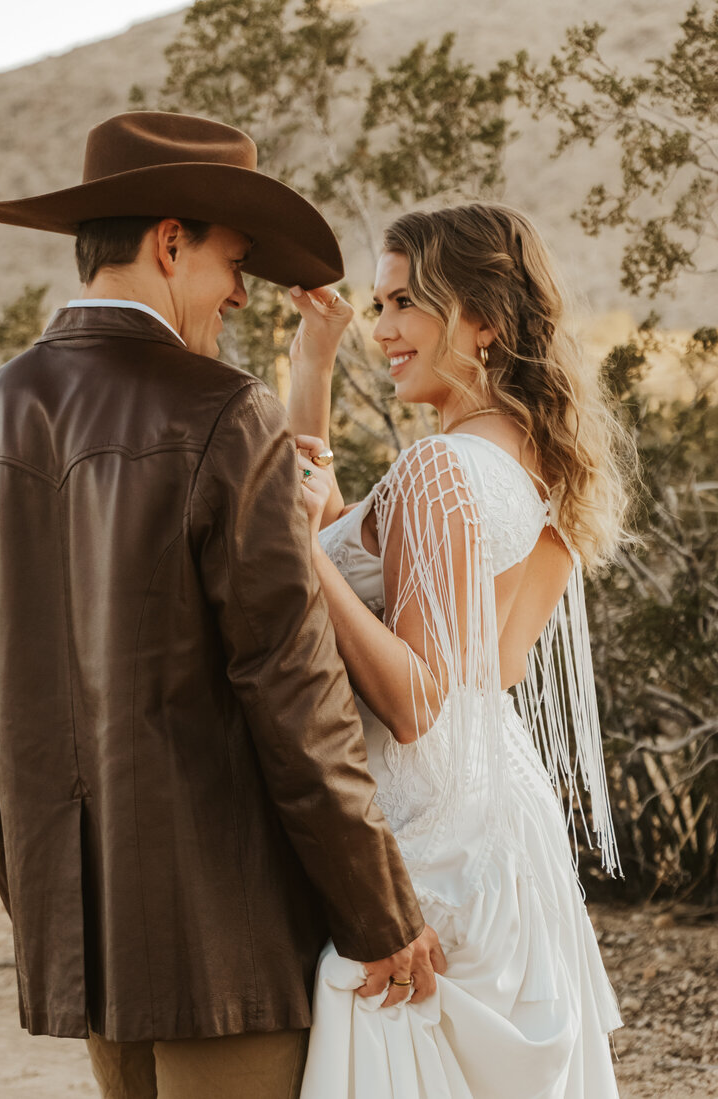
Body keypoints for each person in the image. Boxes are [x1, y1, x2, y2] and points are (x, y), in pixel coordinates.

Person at [0, 111, 445, 1099]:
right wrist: (378, 913)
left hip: (89, 945)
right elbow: (293, 695)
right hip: (229, 949)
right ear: (169, 241)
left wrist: (49, 904)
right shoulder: (220, 410)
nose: (239, 294)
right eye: (231, 262)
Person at [287, 203, 633, 1097]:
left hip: (430, 824)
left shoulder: (442, 470)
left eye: (405, 302)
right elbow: (499, 663)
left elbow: (416, 696)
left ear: (483, 319)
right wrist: (313, 361)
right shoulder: (538, 465)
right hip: (500, 817)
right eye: (377, 306)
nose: (385, 328)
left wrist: (298, 556)